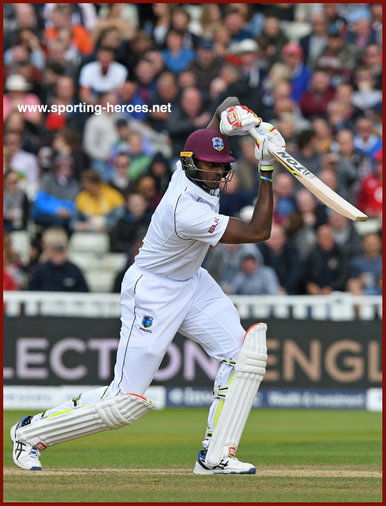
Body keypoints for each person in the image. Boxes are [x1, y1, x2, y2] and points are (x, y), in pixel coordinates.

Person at [10, 98, 285, 475]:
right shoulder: (184, 211)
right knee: (125, 403)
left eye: (223, 167)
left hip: (192, 281)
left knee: (244, 356)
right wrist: (267, 167)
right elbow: (259, 231)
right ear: (192, 166)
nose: (219, 174)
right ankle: (30, 432)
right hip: (153, 291)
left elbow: (223, 108)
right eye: (212, 167)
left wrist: (249, 122)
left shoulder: (188, 166)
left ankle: (215, 456)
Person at [28, 227, 89, 293]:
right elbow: (32, 291)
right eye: (54, 247)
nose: (58, 252)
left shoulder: (74, 270)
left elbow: (84, 292)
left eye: (60, 247)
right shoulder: (40, 270)